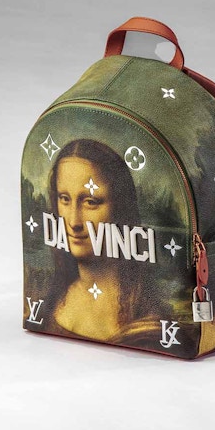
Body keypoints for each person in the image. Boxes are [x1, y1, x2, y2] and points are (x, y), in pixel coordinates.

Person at [44, 139, 162, 344]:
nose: (73, 222)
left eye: (91, 202)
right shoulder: (53, 299)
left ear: (120, 207)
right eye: (64, 199)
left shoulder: (147, 321)